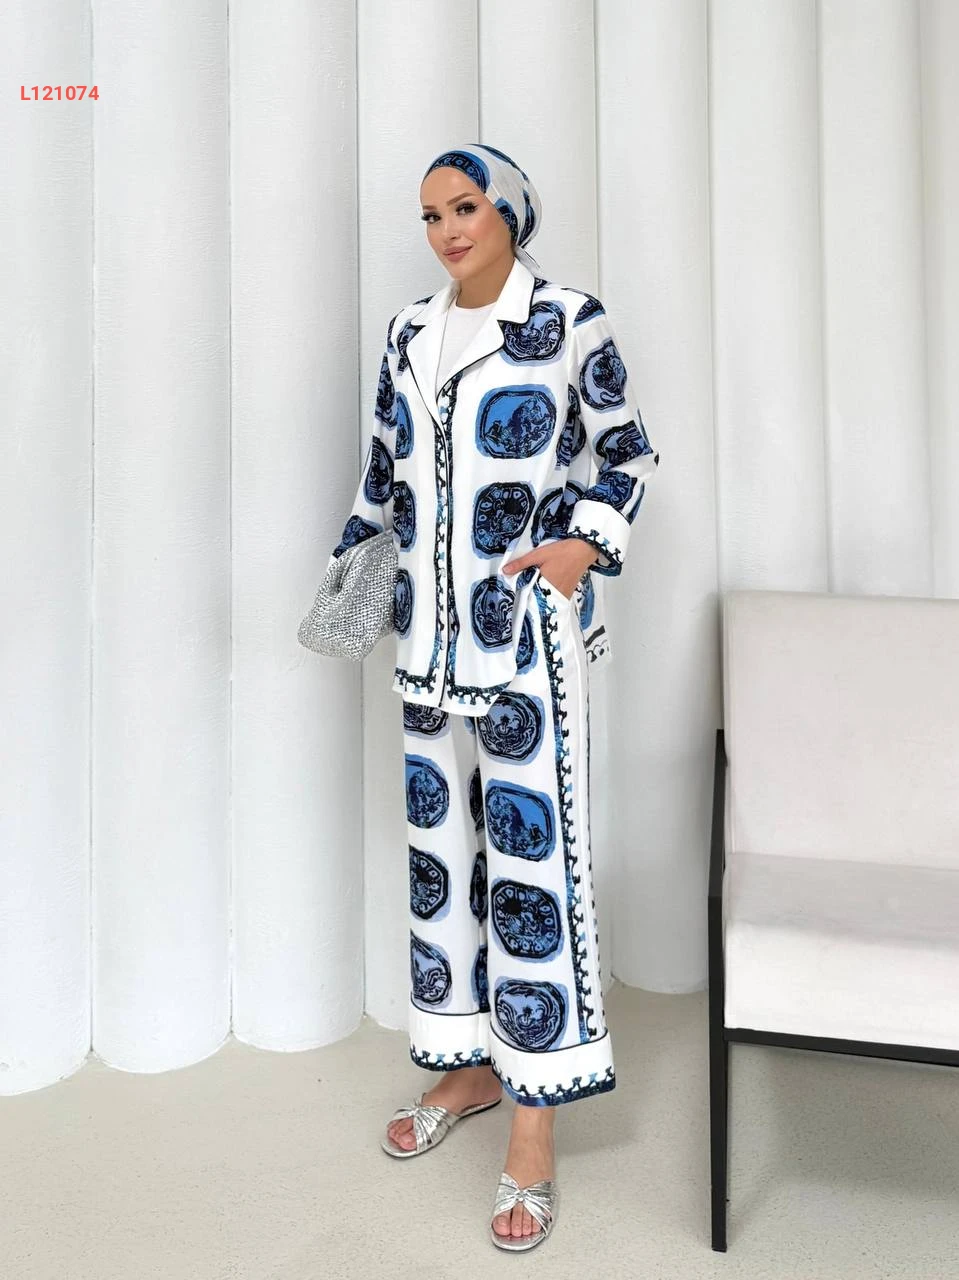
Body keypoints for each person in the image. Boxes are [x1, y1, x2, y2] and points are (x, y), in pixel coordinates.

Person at [326, 143, 660, 1252]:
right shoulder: (407, 333)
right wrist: (348, 588)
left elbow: (627, 454)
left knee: (529, 873)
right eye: (430, 215)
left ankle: (532, 1124)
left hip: (522, 644)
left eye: (464, 207)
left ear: (508, 211)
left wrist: (580, 548)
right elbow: (381, 477)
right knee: (439, 867)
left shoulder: (566, 321)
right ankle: (467, 1066)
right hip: (425, 645)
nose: (447, 231)